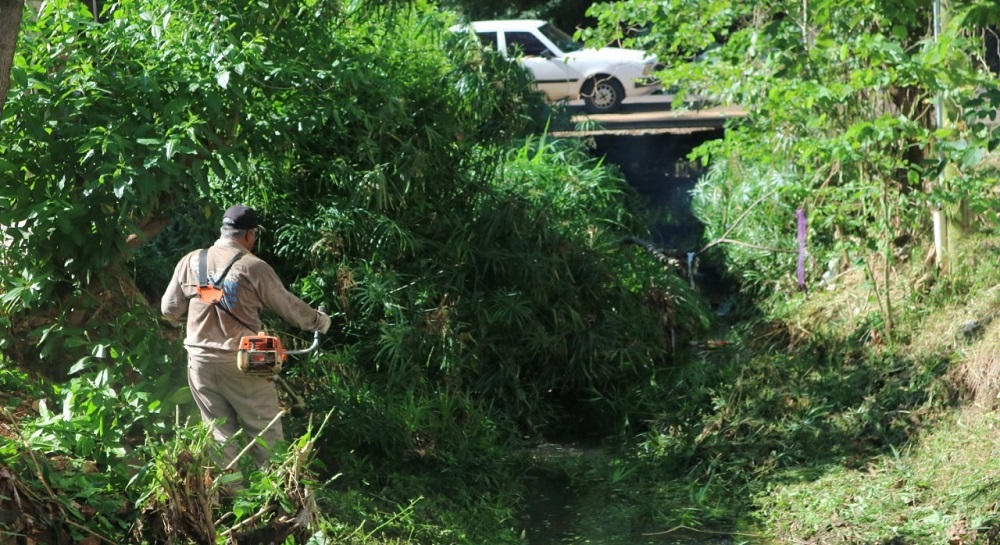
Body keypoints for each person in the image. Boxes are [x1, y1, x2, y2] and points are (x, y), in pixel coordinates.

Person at [161, 204, 331, 470]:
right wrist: (319, 321)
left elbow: (169, 309)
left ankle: (230, 495)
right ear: (250, 235)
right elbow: (288, 306)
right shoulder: (253, 267)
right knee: (265, 432)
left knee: (218, 432)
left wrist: (198, 320)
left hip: (200, 361)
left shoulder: (191, 260)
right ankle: (277, 497)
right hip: (241, 361)